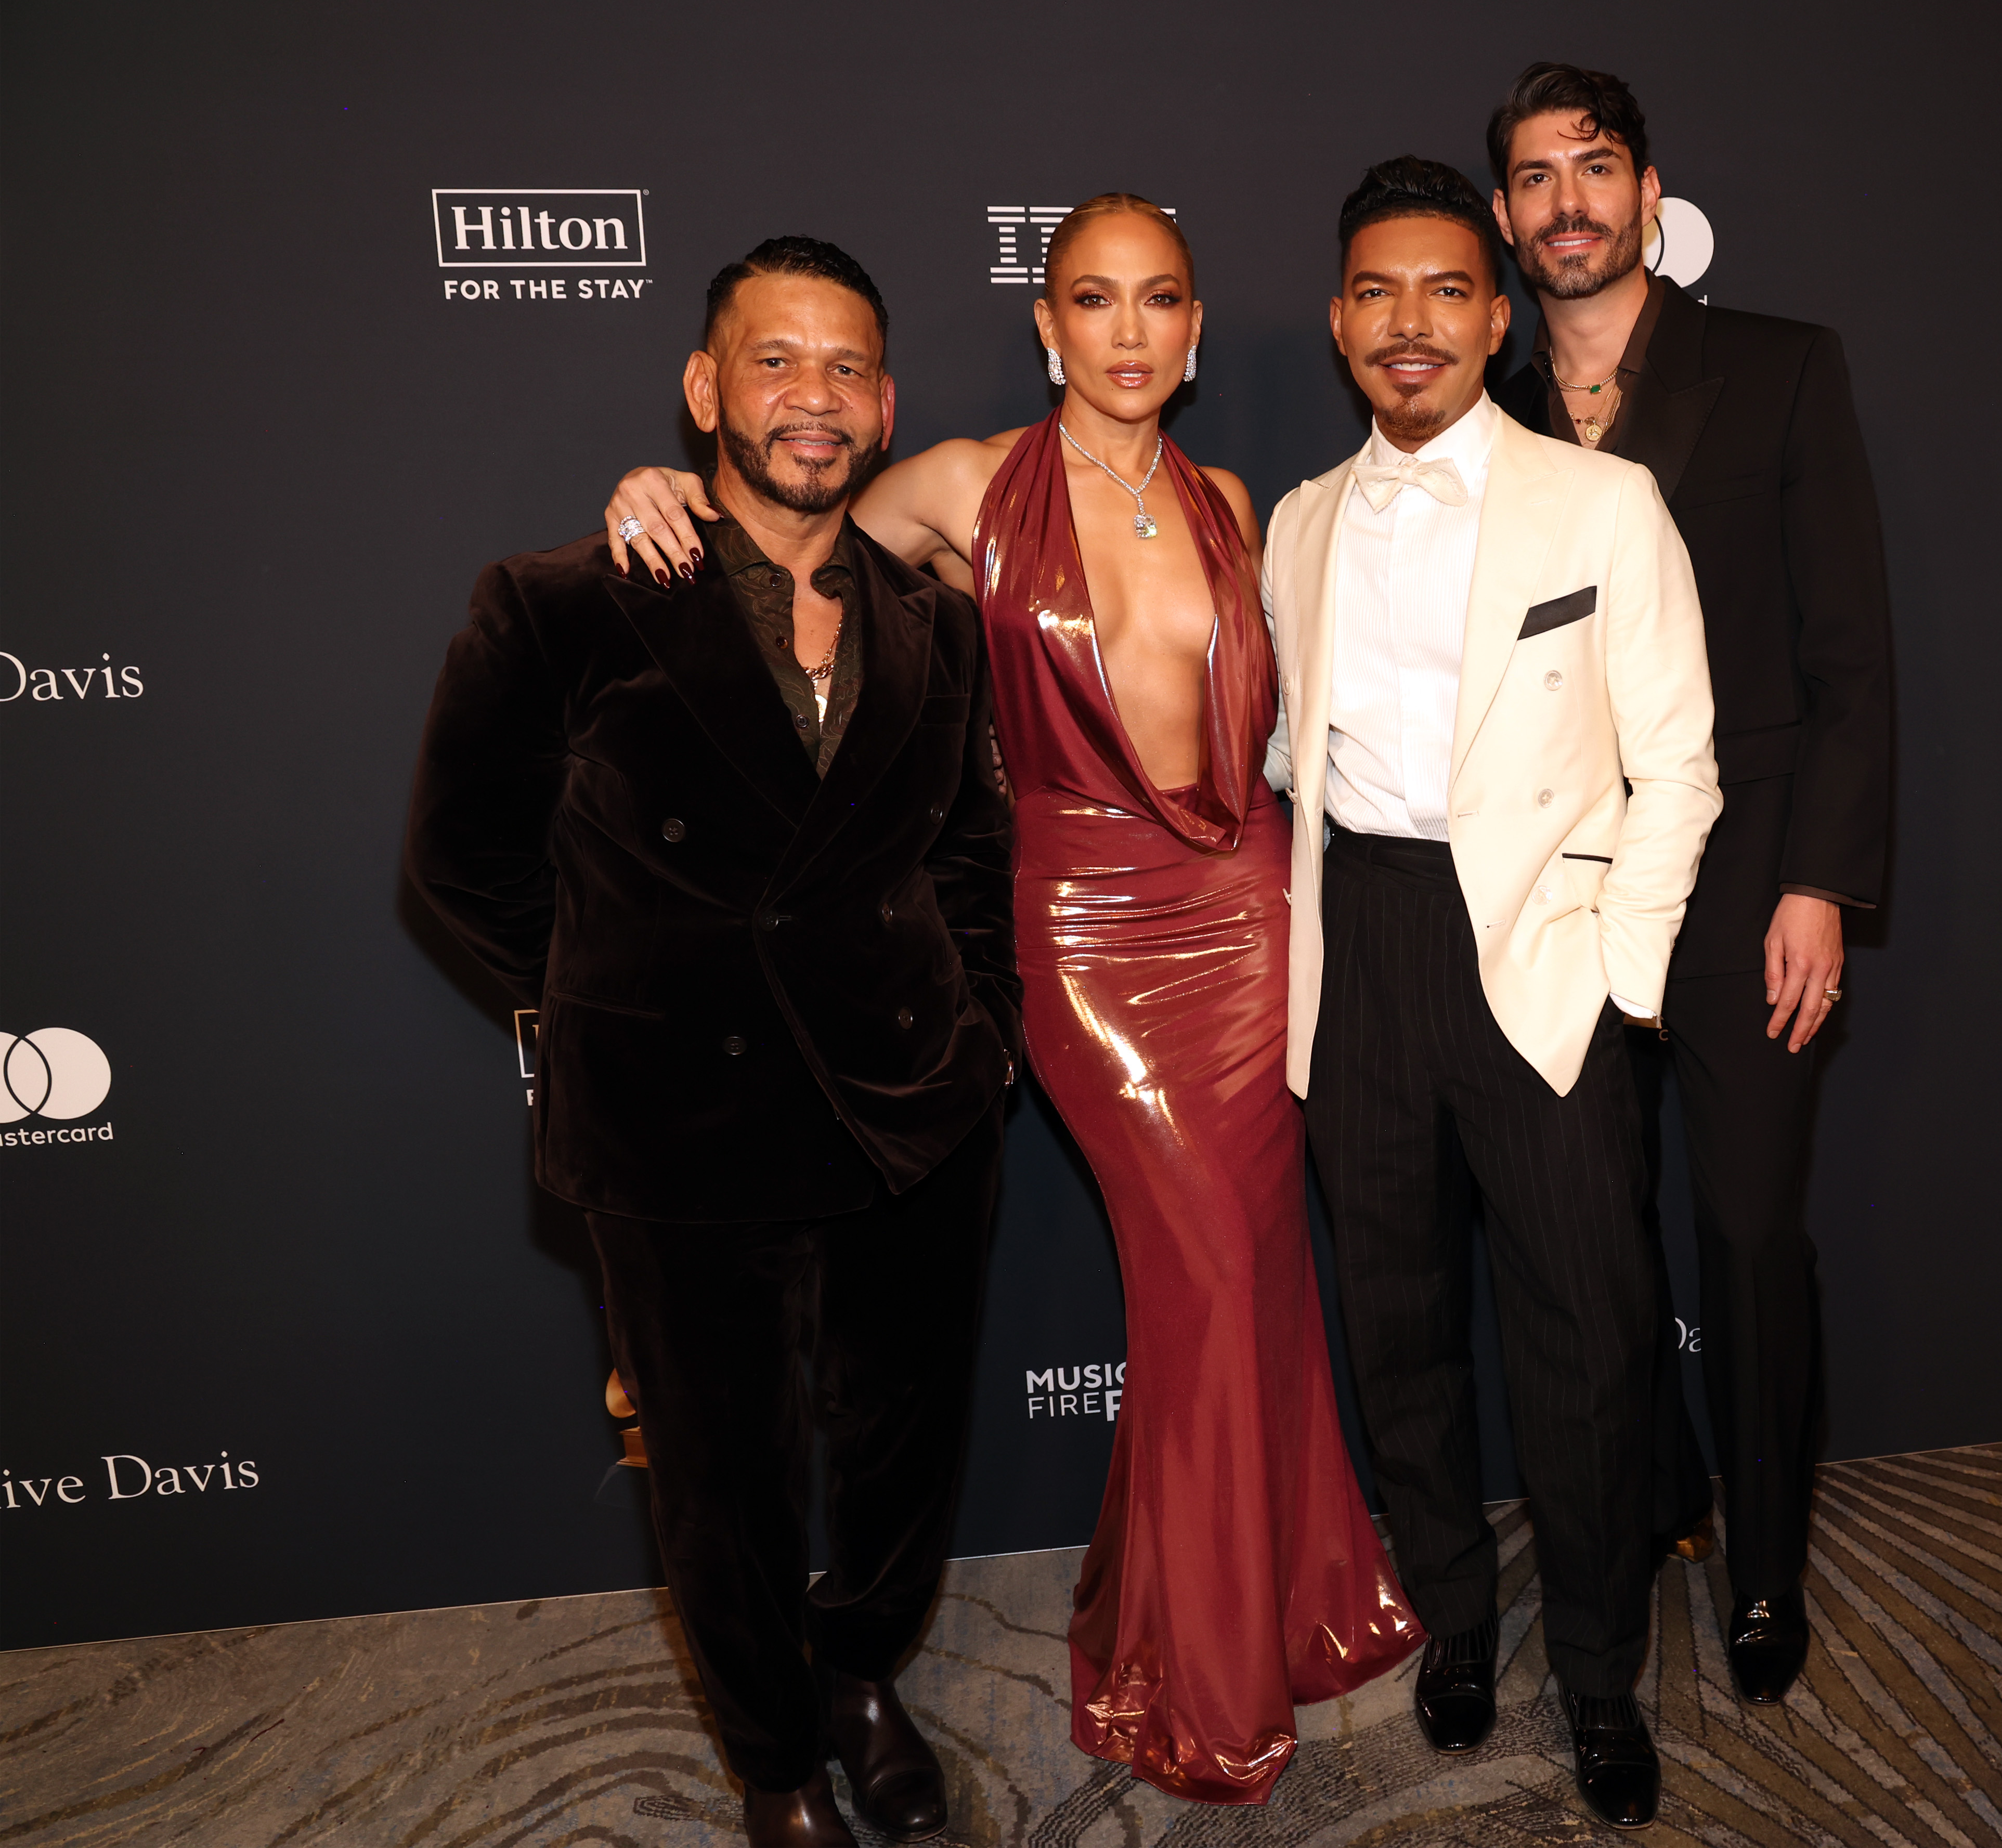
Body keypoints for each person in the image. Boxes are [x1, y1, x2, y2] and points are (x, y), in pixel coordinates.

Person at [602, 196, 1423, 1806]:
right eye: (1094, 300)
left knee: (1252, 1274)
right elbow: (782, 522)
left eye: (1161, 301)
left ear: (1194, 335)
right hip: (1083, 933)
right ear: (1047, 326)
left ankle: (1276, 1598)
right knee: (1195, 1263)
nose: (1128, 331)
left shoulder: (1238, 499)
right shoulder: (968, 482)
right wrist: (655, 492)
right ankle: (1191, 1666)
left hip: (1250, 911)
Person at [409, 237, 1015, 1848]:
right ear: (704, 388)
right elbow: (461, 857)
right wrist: (631, 992)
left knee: (901, 1445)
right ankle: (775, 1756)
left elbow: (968, 854)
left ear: (884, 408)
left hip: (910, 1107)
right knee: (722, 1476)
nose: (810, 398)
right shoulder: (563, 602)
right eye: (774, 360)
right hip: (678, 1126)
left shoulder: (937, 624)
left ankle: (866, 1673)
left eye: (844, 370)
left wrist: (977, 1034)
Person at [1259, 156, 1720, 1832]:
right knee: (1396, 1330)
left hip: (1542, 956)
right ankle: (1453, 1617)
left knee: (1589, 1341)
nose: (1411, 323)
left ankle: (1600, 1672)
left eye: (1449, 289)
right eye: (1378, 290)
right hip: (1363, 948)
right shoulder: (1296, 525)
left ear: (1496, 310)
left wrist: (1620, 978)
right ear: (1336, 320)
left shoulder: (1605, 506)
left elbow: (1681, 767)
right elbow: (1276, 757)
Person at [1486, 63, 1896, 1707]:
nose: (1567, 201)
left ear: (1651, 192)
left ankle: (1768, 1562)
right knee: (1588, 1235)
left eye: (1595, 169)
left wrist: (1821, 885)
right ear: (1506, 217)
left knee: (1745, 1232)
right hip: (1561, 882)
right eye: (1533, 178)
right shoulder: (1488, 415)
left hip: (1746, 881)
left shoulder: (1782, 370)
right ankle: (1651, 1498)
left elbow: (1852, 654)